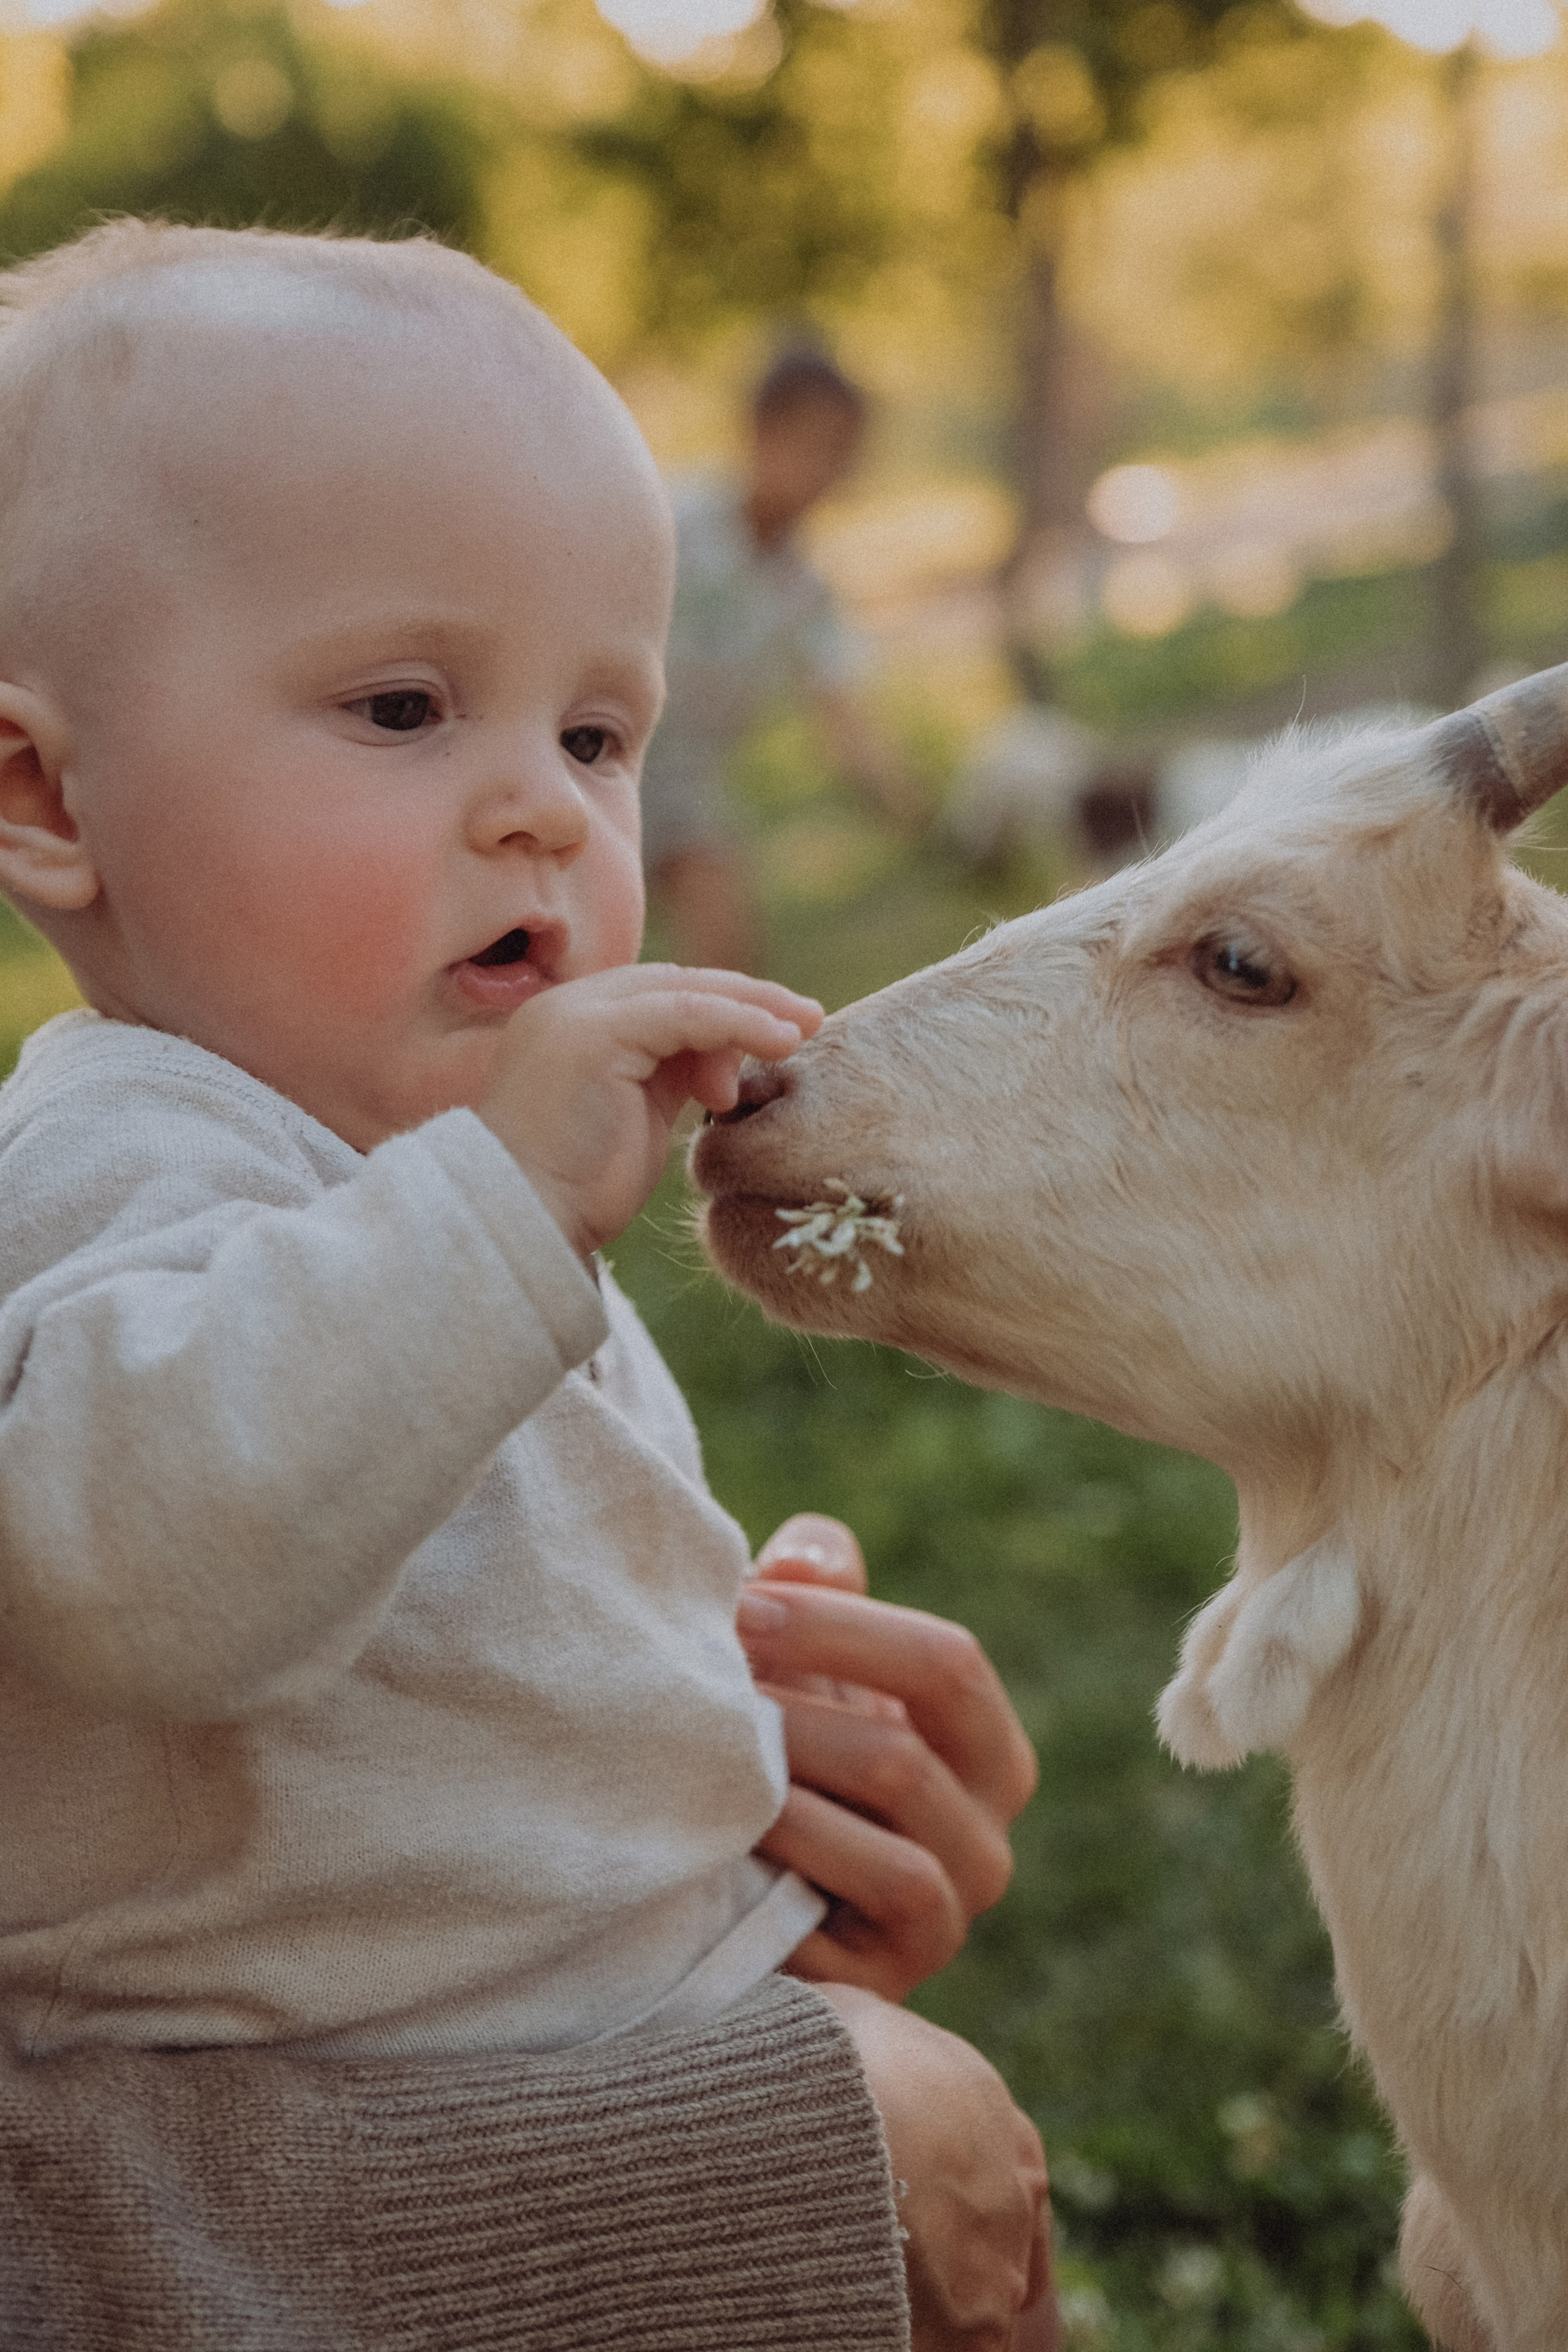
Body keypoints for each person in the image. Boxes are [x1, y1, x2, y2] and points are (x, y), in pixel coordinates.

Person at [0, 222, 1054, 2347]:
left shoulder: (392, 1180)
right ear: (43, 794)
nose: (543, 817)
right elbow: (144, 1560)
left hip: (612, 2095)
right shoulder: (132, 1155)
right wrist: (495, 1210)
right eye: (403, 705)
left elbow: (413, 1617)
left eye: (599, 735)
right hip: (359, 2157)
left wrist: (696, 1663)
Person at [643, 346, 925, 971]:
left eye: (844, 454)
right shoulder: (669, 519)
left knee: (729, 957)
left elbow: (842, 714)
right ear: (759, 433)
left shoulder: (804, 588)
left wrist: (908, 809)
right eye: (816, 447)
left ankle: (711, 1067)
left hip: (685, 785)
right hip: (595, 758)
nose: (830, 472)